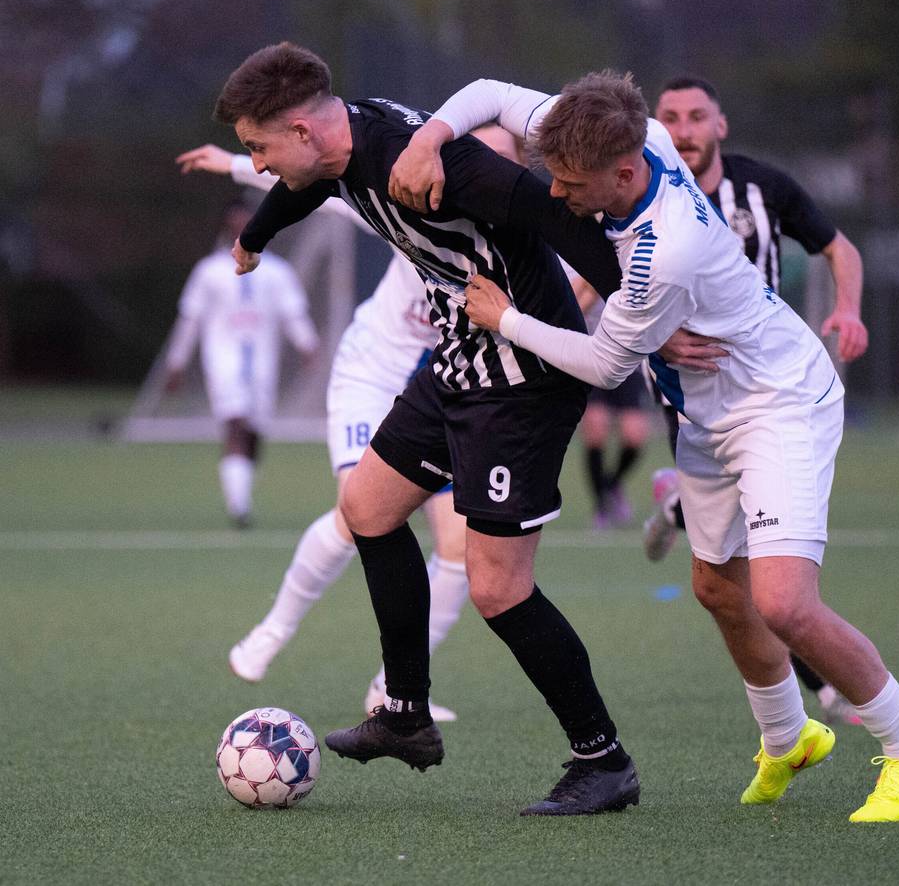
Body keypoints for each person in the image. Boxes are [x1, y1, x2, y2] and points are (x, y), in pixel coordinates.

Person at [393, 72, 899, 823]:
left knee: (783, 602)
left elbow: (601, 364)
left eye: (569, 183)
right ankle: (789, 737)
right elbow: (489, 90)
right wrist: (428, 137)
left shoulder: (663, 254)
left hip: (776, 404)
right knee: (718, 589)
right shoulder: (625, 134)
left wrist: (505, 320)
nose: (555, 195)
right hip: (707, 418)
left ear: (621, 175)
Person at [209, 42, 639, 816]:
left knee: (498, 590)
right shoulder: (342, 145)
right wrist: (258, 234)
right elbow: (309, 190)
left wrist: (645, 313)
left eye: (260, 149)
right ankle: (405, 713)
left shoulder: (434, 166)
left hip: (523, 384)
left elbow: (548, 215)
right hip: (459, 364)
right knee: (367, 510)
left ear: (303, 132)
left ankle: (603, 760)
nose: (260, 166)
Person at [643, 76, 869, 727]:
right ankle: (819, 697)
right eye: (670, 117)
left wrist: (849, 309)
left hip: (770, 394)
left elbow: (838, 247)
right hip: (691, 402)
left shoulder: (763, 188)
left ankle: (826, 691)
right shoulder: (640, 190)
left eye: (695, 116)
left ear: (721, 124)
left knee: (769, 569)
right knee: (732, 576)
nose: (683, 129)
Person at [164, 201, 318, 528]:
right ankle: (239, 507)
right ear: (226, 228)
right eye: (235, 224)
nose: (241, 230)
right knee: (235, 423)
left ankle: (241, 492)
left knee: (253, 432)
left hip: (263, 363)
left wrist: (309, 347)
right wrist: (176, 361)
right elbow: (190, 319)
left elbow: (294, 315)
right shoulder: (209, 271)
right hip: (223, 360)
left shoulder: (277, 272)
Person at [567, 272, 652, 529]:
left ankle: (611, 486)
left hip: (628, 355)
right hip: (590, 350)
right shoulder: (567, 258)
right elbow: (566, 311)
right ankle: (601, 506)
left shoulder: (630, 252)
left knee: (635, 435)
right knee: (596, 428)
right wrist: (589, 291)